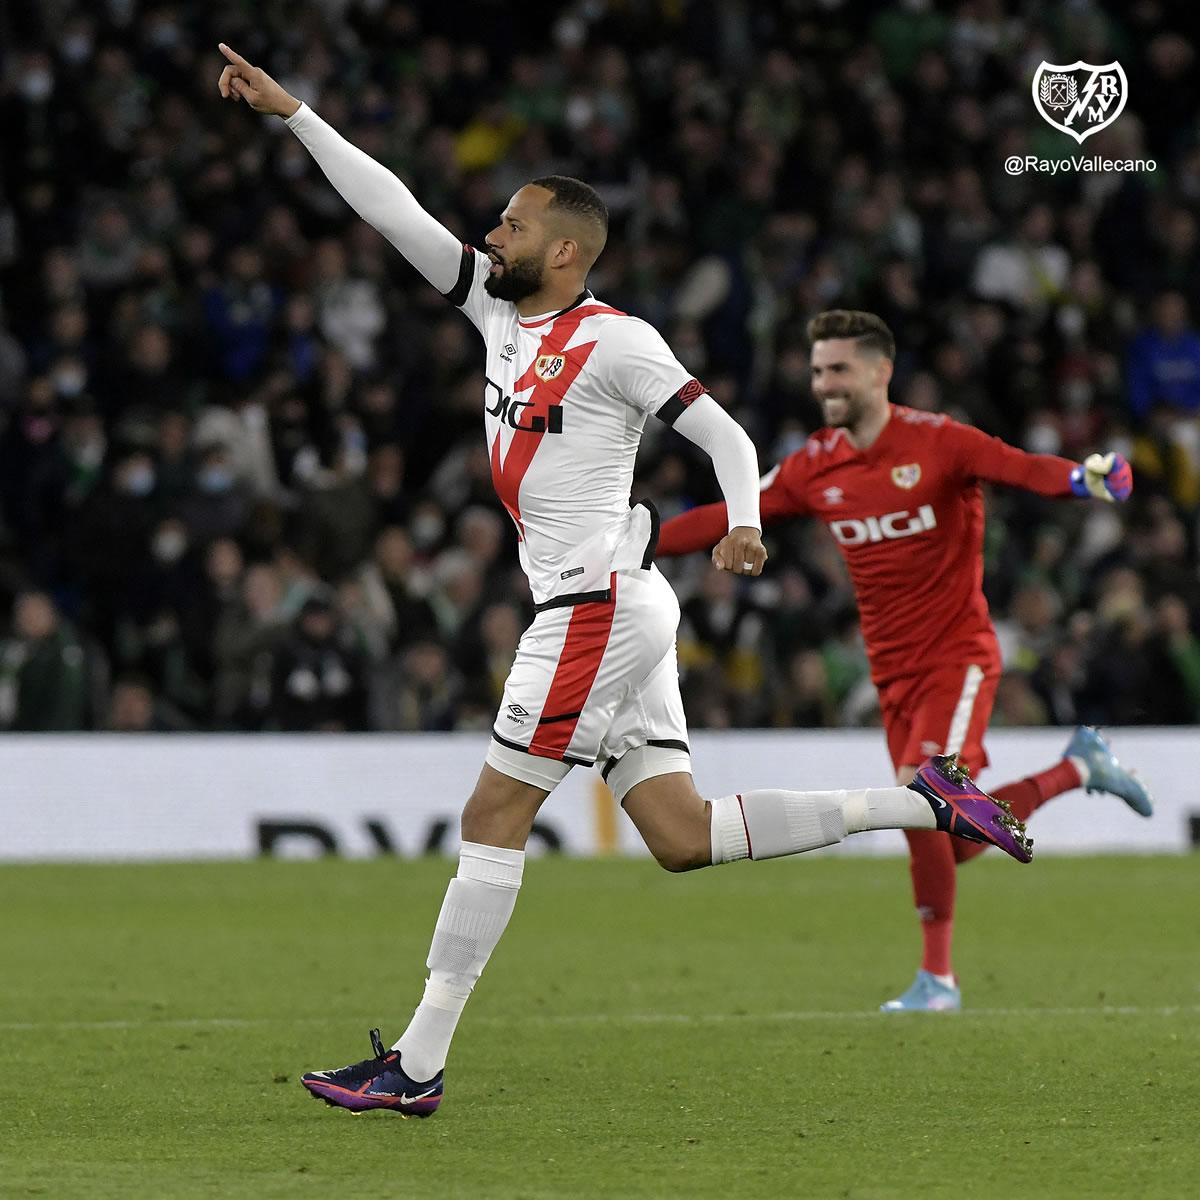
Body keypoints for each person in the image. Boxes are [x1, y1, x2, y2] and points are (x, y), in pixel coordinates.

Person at [217, 46, 1034, 1116]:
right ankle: (928, 805)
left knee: (494, 810)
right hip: (621, 605)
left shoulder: (617, 343)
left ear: (563, 248)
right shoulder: (499, 316)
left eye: (509, 225)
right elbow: (394, 212)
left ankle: (416, 1063)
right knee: (681, 838)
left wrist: (746, 523)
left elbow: (729, 434)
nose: (489, 236)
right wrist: (296, 118)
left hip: (596, 606)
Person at [657, 309, 1153, 1012]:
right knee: (939, 829)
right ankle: (1076, 768)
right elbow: (736, 511)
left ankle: (939, 980)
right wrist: (639, 541)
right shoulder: (815, 465)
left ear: (879, 372)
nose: (823, 381)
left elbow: (1019, 466)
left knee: (925, 799)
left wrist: (1086, 479)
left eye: (838, 369)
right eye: (817, 369)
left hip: (958, 658)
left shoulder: (938, 441)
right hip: (891, 675)